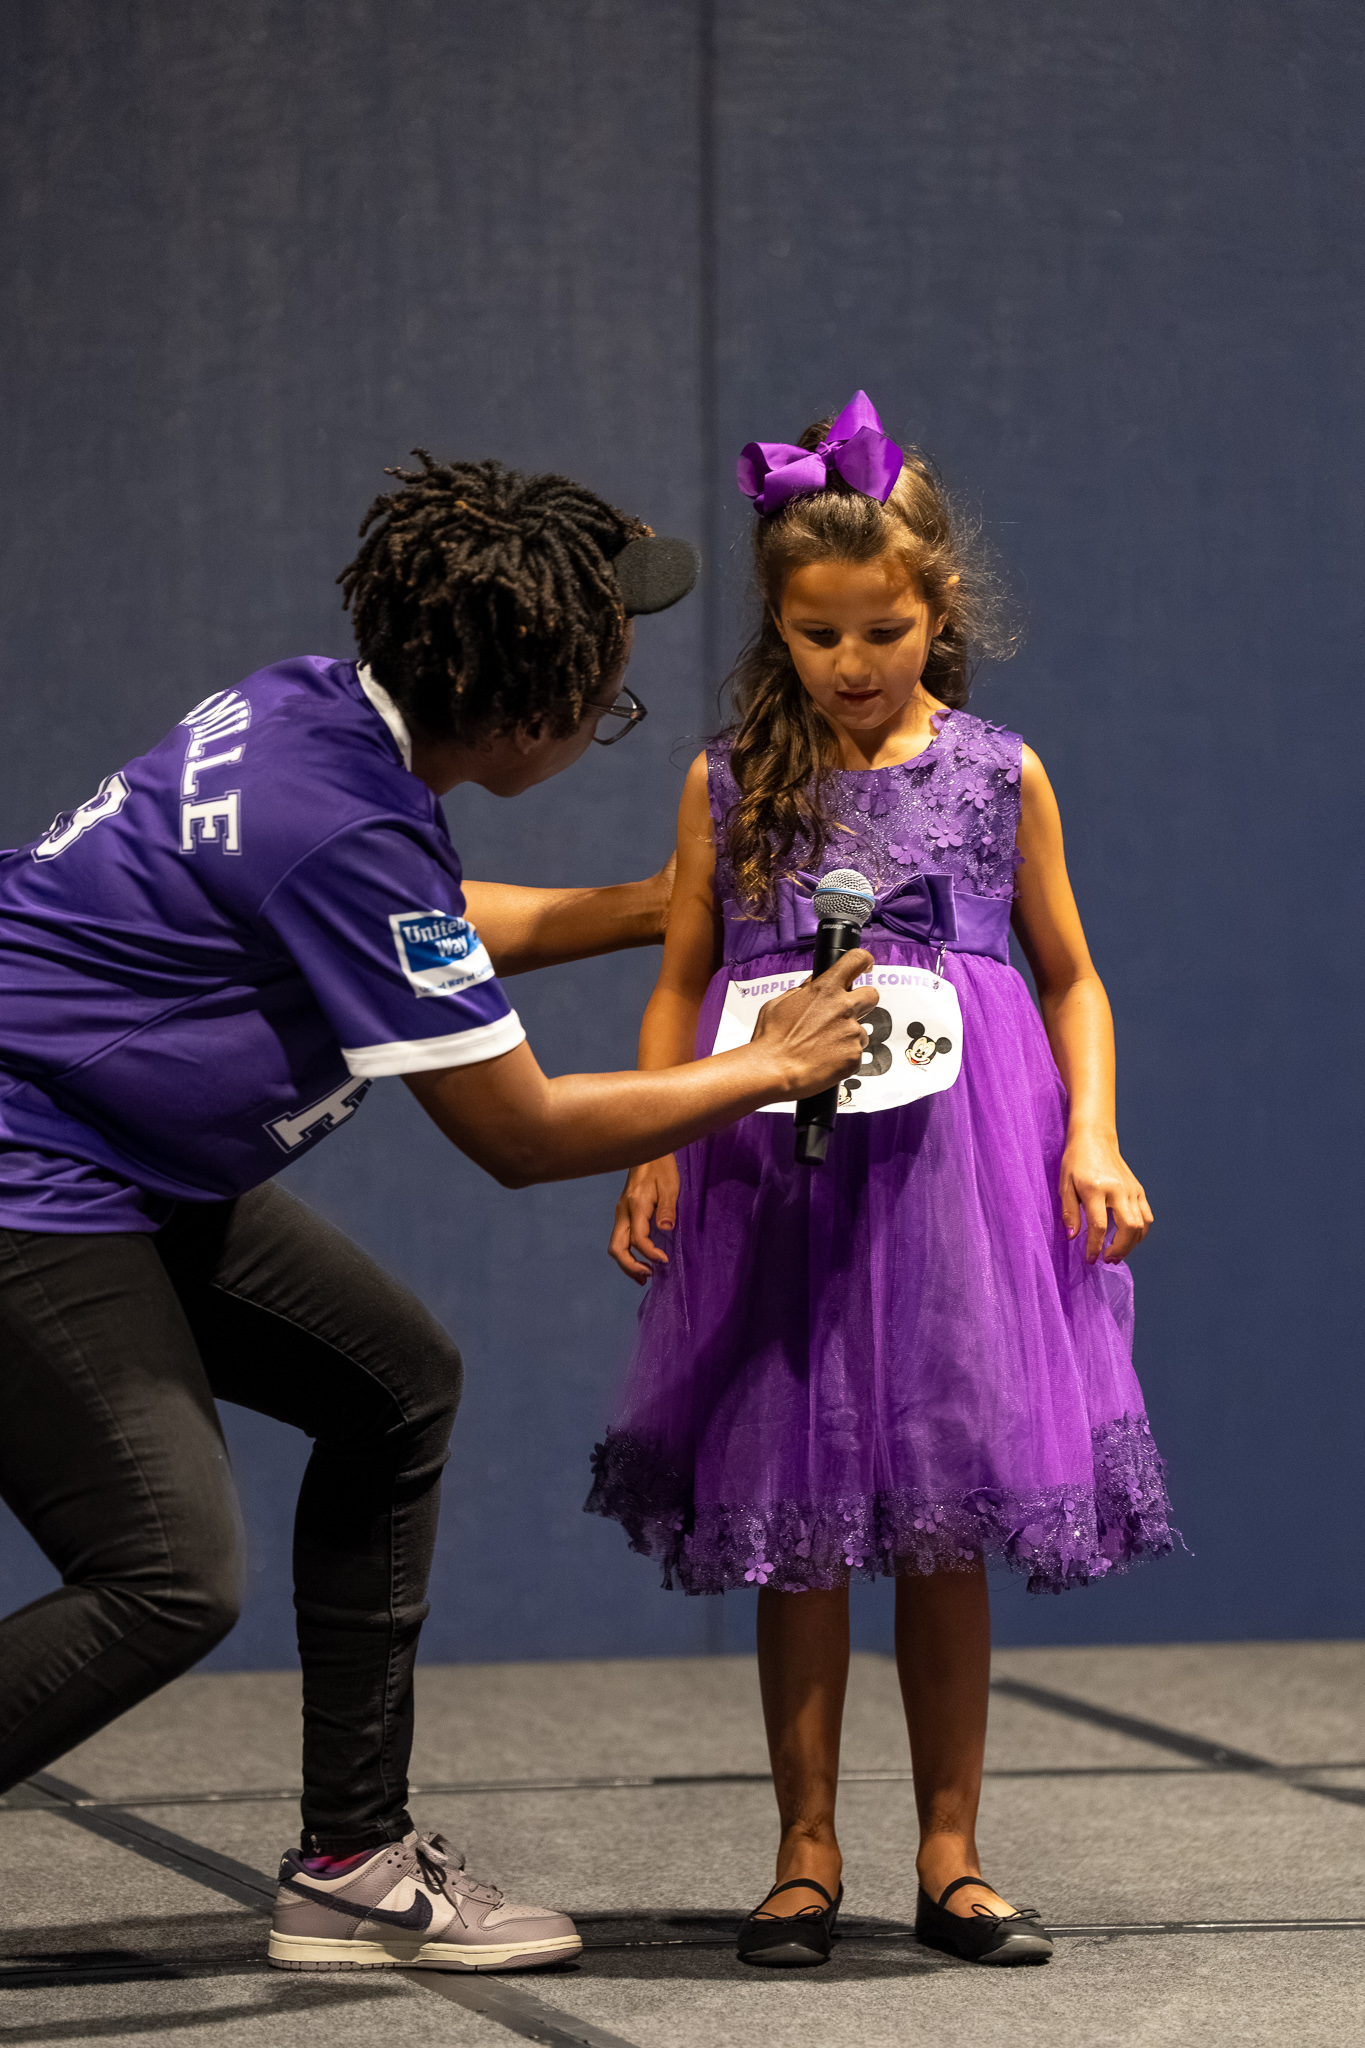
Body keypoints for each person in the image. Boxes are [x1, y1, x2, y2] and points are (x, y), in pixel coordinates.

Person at [0, 452, 878, 1974]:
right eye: (606, 699)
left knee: (390, 1382)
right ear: (526, 715)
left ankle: (352, 1859)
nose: (611, 716)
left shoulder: (308, 715)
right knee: (167, 1576)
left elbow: (421, 926)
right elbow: (520, 1134)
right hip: (34, 1176)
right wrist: (770, 1066)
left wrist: (656, 907)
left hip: (122, 1164)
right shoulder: (345, 826)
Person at [587, 394, 1175, 1969]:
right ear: (776, 628)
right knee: (790, 1507)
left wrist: (1091, 1132)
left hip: (953, 1171)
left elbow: (1069, 977)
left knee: (938, 1513)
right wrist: (654, 1144)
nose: (851, 663)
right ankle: (802, 1854)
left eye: (883, 631)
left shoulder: (996, 773)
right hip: (775, 1165)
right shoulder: (728, 781)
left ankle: (950, 1854)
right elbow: (679, 979)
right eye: (817, 635)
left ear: (939, 612)